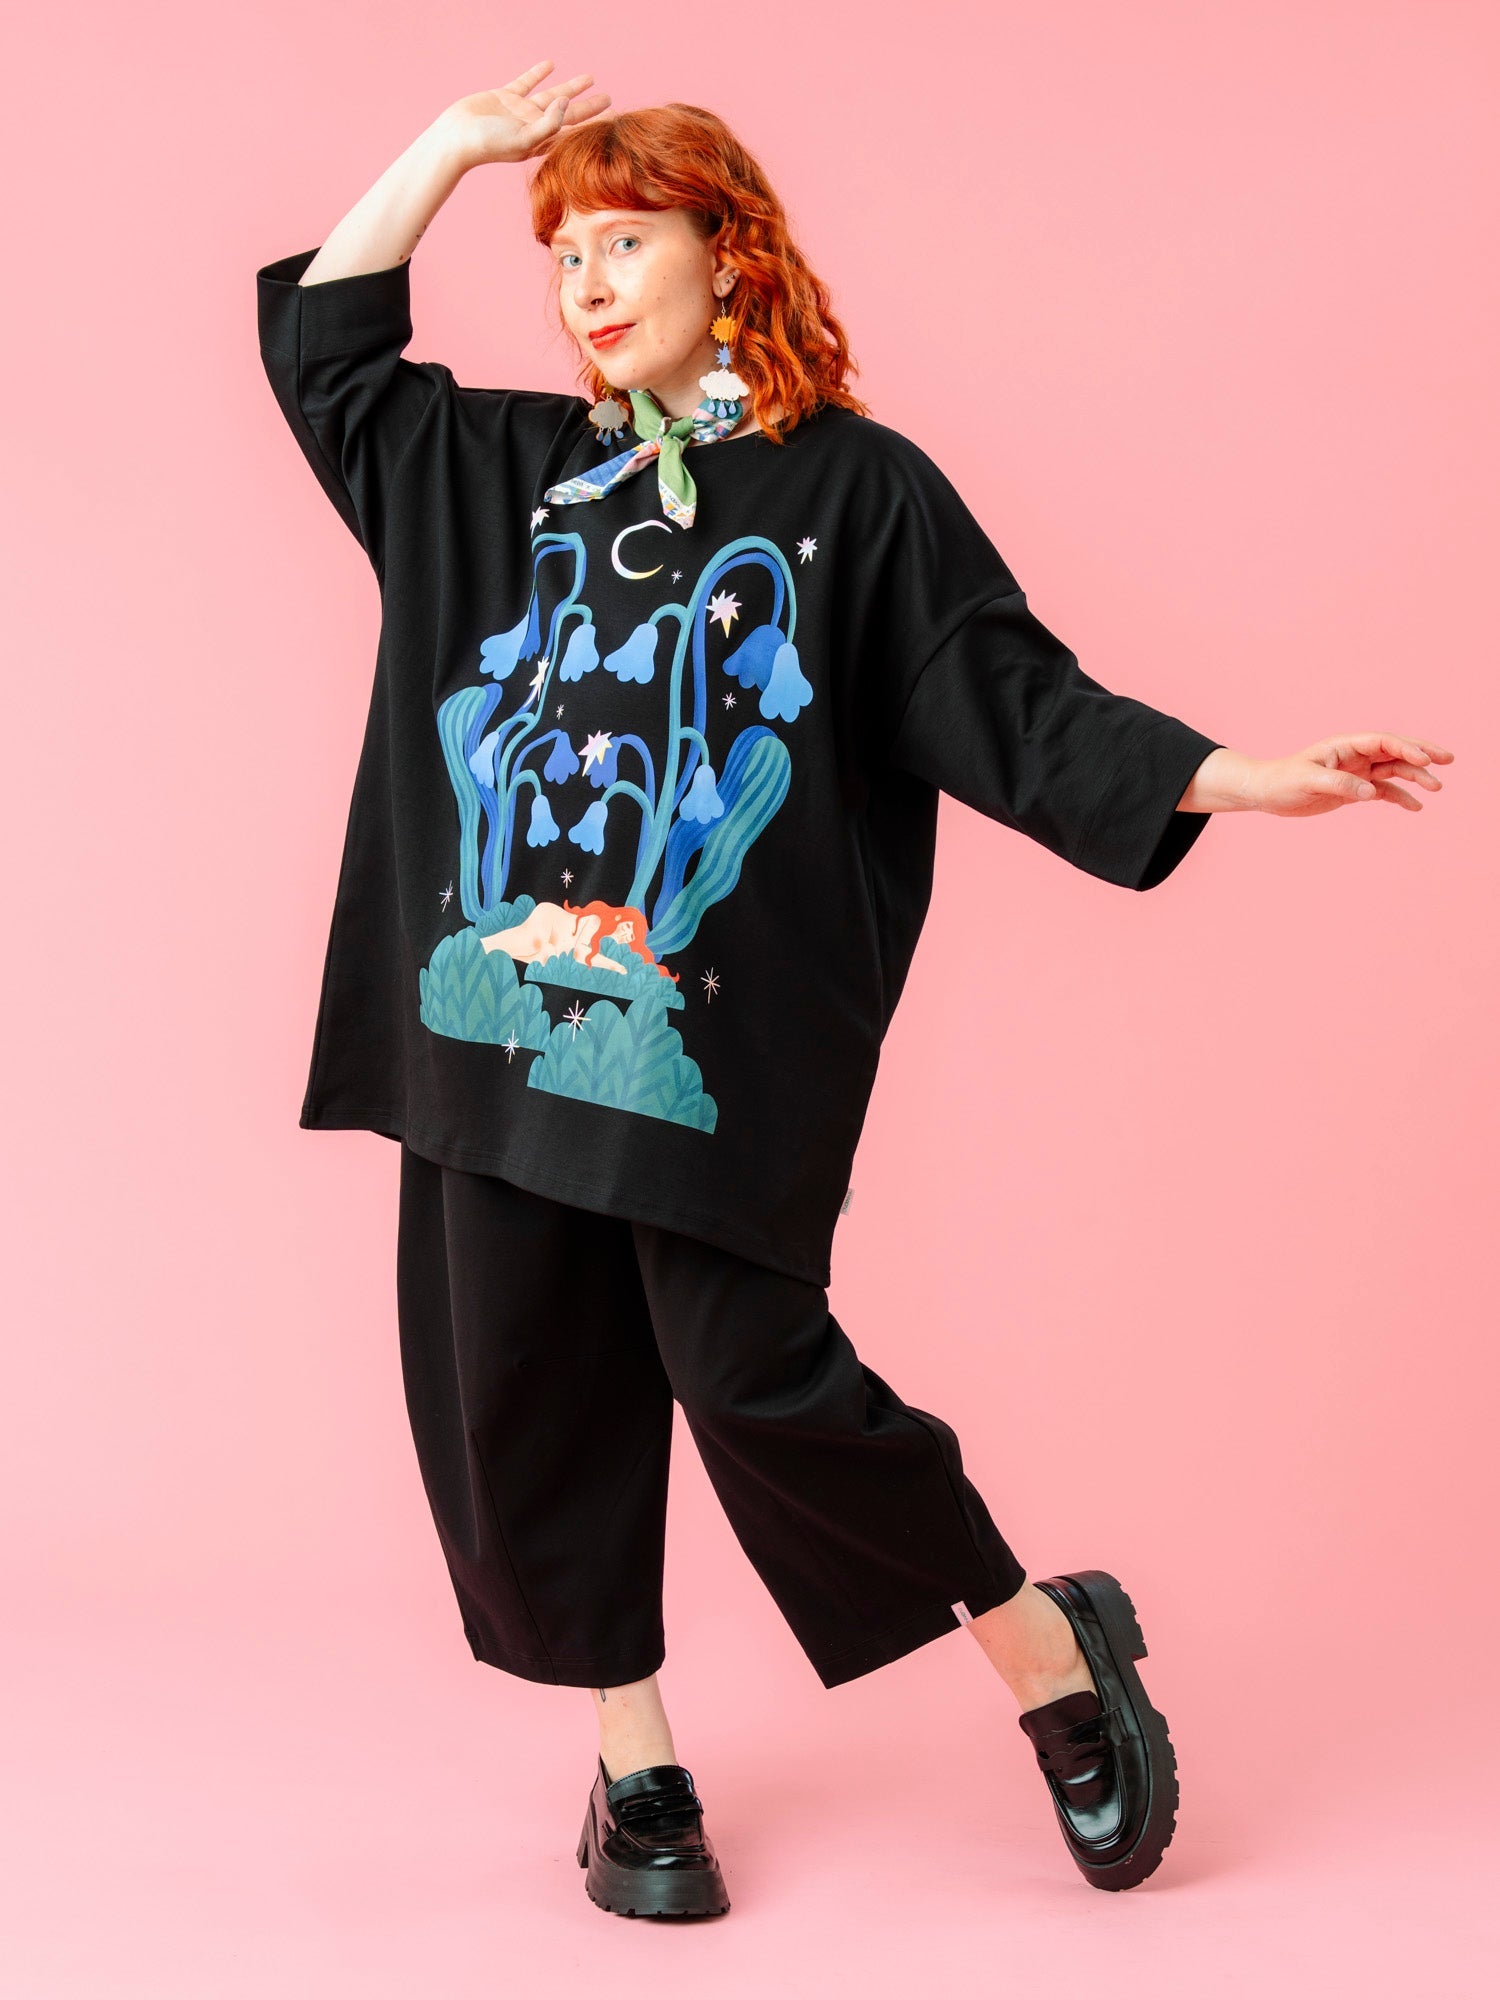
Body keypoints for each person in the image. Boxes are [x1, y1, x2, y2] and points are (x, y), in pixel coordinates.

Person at [256, 64, 1453, 1920]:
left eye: (624, 240)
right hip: (489, 1030)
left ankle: (1046, 1644)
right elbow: (330, 357)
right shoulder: (498, 473)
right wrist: (452, 151)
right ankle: (636, 1766)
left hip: (701, 1049)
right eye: (561, 253)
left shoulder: (854, 491)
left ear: (728, 257)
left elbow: (1014, 703)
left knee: (758, 1377)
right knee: (521, 1388)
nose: (585, 283)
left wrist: (1242, 775)